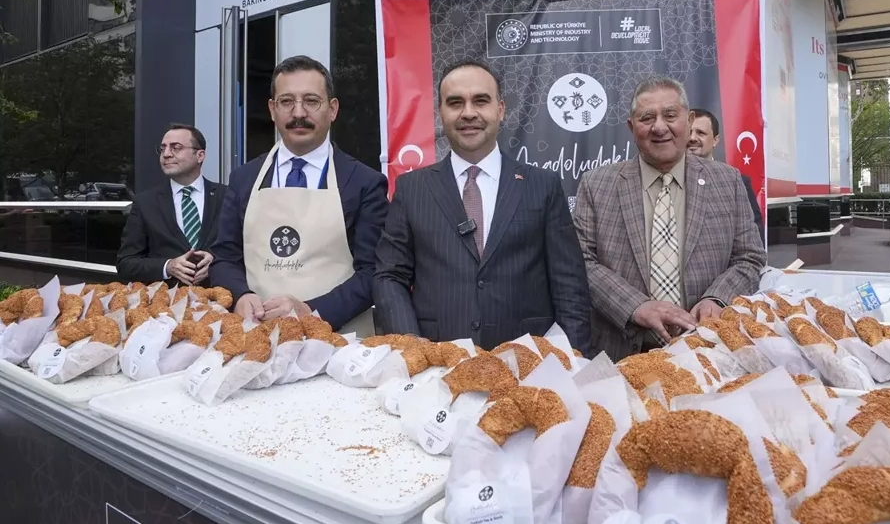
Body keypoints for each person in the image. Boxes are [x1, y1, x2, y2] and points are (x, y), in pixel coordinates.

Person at [372, 60, 591, 353]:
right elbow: (389, 276)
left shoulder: (542, 185)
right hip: (439, 363)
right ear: (440, 112)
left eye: (480, 101)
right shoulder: (413, 189)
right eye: (455, 103)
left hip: (528, 362)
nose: (468, 113)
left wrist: (571, 359)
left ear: (500, 109)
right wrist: (414, 346)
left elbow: (570, 285)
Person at [573, 77, 766, 361]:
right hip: (621, 354)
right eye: (647, 118)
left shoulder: (728, 181)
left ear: (689, 120)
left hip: (710, 352)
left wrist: (717, 298)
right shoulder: (597, 184)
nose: (659, 127)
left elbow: (749, 256)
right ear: (631, 127)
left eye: (670, 115)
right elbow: (580, 261)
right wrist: (636, 306)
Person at [209, 55, 388, 334]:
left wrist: (311, 311)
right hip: (256, 334)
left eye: (311, 101)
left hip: (338, 340)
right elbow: (224, 257)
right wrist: (240, 294)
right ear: (272, 109)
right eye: (286, 101)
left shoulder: (364, 183)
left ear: (333, 109)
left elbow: (374, 271)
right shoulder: (243, 179)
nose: (298, 113)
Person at [117, 124, 225, 286]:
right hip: (166, 299)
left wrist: (217, 262)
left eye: (176, 148)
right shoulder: (145, 202)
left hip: (221, 296)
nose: (166, 154)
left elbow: (246, 250)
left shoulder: (227, 196)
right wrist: (168, 266)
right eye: (162, 149)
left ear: (200, 155)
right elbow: (126, 263)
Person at [687, 108, 764, 239]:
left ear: (715, 140)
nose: (692, 138)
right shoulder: (667, 178)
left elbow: (754, 235)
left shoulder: (737, 182)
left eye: (701, 133)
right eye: (688, 132)